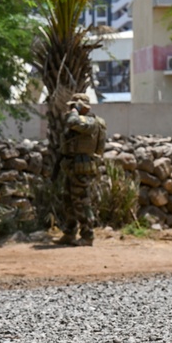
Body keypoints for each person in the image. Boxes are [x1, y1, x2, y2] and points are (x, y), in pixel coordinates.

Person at [57, 92, 107, 246]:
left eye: (74, 105)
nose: (71, 108)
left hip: (82, 168)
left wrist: (74, 111)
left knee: (82, 202)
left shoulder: (92, 122)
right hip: (72, 166)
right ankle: (70, 232)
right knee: (68, 200)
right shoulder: (80, 120)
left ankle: (87, 235)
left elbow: (72, 121)